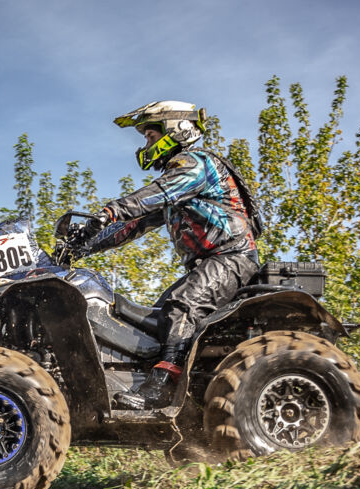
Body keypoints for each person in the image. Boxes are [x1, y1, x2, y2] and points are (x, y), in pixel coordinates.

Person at [72, 101, 263, 410]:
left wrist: (109, 211)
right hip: (211, 263)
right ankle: (153, 388)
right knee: (156, 320)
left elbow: (154, 195)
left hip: (232, 257)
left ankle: (160, 389)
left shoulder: (194, 164)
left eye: (150, 136)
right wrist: (85, 243)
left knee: (182, 305)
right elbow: (132, 225)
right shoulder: (177, 186)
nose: (146, 145)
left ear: (175, 130)